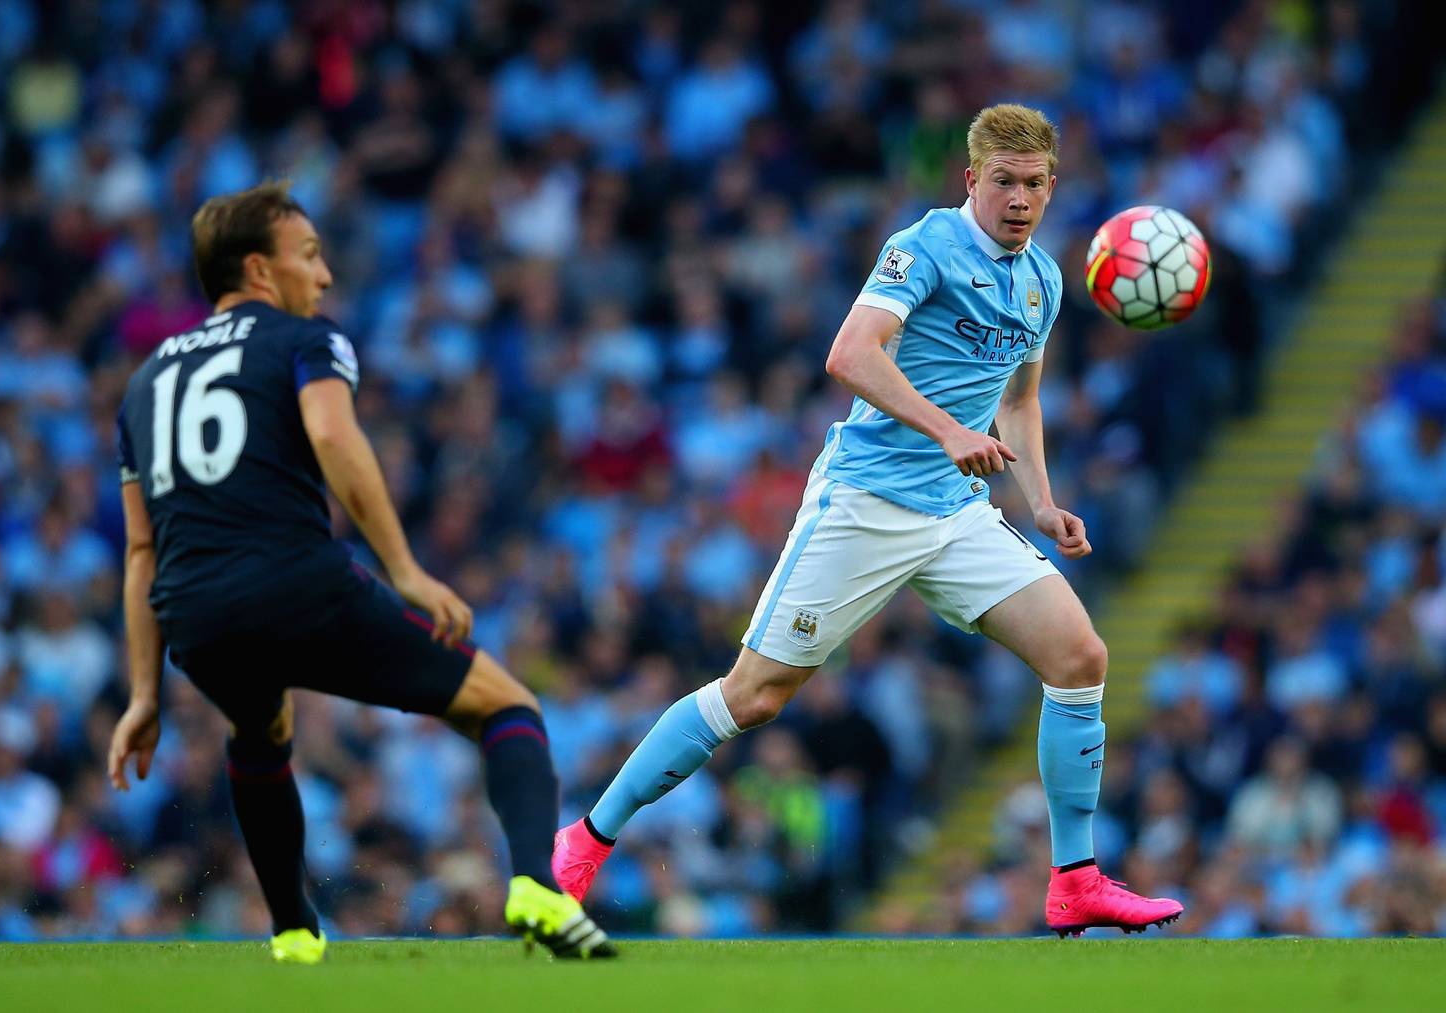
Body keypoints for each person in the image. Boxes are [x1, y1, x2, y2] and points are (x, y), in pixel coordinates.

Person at [553, 105, 1183, 937]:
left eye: (1034, 184)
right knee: (756, 695)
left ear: (1052, 186)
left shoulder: (1045, 280)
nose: (1019, 199)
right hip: (864, 501)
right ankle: (584, 842)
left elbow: (1021, 402)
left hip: (955, 512)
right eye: (1003, 182)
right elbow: (850, 353)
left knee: (1079, 654)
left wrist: (1040, 501)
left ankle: (1075, 877)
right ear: (972, 180)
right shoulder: (923, 246)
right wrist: (952, 430)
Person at [106, 181, 614, 962]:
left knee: (260, 728)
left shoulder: (142, 386)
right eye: (308, 254)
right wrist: (405, 567)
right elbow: (335, 437)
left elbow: (141, 550)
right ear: (259, 270)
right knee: (505, 703)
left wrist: (144, 694)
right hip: (293, 580)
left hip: (193, 616)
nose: (326, 275)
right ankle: (536, 887)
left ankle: (293, 933)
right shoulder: (304, 339)